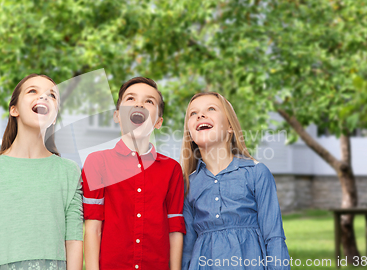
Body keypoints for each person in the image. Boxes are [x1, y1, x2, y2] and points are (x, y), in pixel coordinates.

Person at [0, 74, 83, 270]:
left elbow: (73, 242)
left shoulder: (69, 172)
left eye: (52, 95)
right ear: (14, 110)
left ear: (55, 116)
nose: (44, 97)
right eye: (33, 91)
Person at [82, 77, 185, 270]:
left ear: (158, 122)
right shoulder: (97, 162)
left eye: (149, 101)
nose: (139, 104)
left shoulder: (172, 169)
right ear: (117, 116)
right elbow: (93, 228)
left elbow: (175, 229)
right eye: (130, 99)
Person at [181, 92, 290, 270]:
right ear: (190, 134)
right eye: (193, 113)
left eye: (211, 109)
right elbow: (187, 249)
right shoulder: (188, 185)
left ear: (229, 126)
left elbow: (274, 237)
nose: (200, 115)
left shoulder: (256, 173)